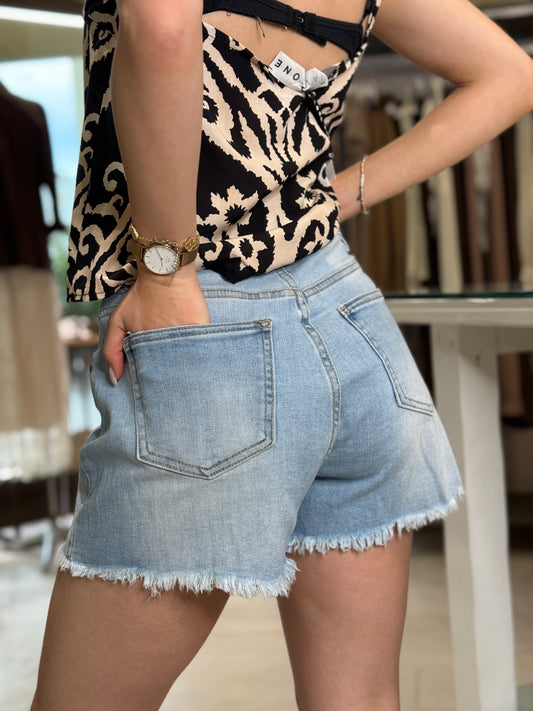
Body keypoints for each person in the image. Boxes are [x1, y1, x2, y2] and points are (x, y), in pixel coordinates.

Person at [32, 1, 533, 709]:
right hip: (347, 314)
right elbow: (511, 74)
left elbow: (164, 27)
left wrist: (167, 270)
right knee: (359, 698)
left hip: (206, 316)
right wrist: (328, 202)